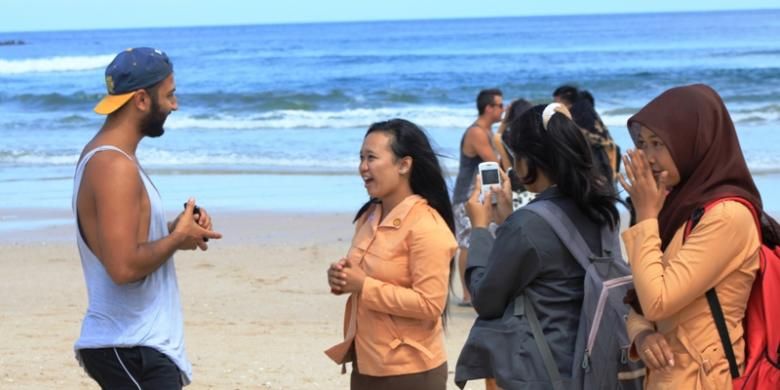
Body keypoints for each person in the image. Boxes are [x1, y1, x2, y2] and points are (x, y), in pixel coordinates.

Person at [73, 47, 222, 389]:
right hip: (129, 345)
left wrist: (177, 232)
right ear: (141, 99)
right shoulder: (113, 166)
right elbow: (123, 267)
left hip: (136, 344)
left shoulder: (112, 158)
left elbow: (125, 244)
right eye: (169, 95)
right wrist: (174, 239)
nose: (175, 105)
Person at [618, 84, 780, 388]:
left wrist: (646, 216)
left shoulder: (727, 216)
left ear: (693, 142)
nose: (648, 157)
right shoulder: (679, 207)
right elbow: (639, 302)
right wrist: (642, 334)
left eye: (658, 143)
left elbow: (658, 301)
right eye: (642, 143)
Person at [455, 103, 620, 389]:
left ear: (530, 161)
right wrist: (508, 220)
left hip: (544, 371)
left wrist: (481, 229)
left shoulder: (528, 224)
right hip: (597, 364)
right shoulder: (603, 211)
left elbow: (485, 298)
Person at [325, 119, 458, 390]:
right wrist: (341, 279)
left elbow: (431, 305)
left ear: (404, 165)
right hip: (366, 362)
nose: (363, 167)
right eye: (361, 158)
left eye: (372, 158)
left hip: (411, 372)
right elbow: (361, 275)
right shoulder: (369, 215)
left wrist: (363, 285)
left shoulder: (426, 226)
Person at [452, 88, 504, 307]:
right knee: (466, 241)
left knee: (480, 237)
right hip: (467, 195)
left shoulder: (488, 131)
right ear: (488, 108)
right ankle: (467, 293)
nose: (503, 109)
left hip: (480, 195)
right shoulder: (477, 133)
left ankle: (473, 289)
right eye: (500, 105)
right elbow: (494, 162)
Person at [493, 98, 535, 210]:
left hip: (516, 195)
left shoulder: (504, 139)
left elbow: (509, 170)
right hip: (536, 195)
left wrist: (505, 119)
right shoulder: (537, 138)